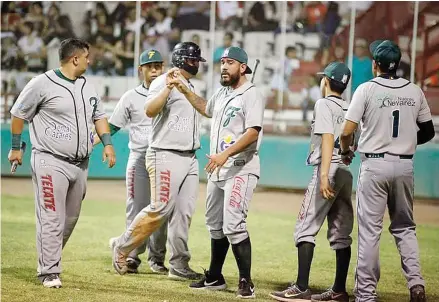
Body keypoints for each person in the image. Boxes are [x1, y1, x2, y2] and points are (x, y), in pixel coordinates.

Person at [8, 38, 116, 288]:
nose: (90, 60)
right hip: (49, 160)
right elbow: (17, 113)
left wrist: (108, 144)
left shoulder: (88, 85)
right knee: (51, 217)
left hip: (80, 164)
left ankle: (49, 257)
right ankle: (49, 271)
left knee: (70, 218)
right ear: (75, 58)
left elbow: (99, 116)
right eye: (87, 56)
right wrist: (15, 147)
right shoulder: (42, 83)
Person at [340, 40, 435, 302]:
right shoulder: (414, 90)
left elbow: (347, 131)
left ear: (375, 65)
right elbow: (428, 131)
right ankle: (416, 285)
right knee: (405, 228)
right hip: (404, 165)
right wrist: (405, 141)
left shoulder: (367, 89)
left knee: (370, 231)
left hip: (375, 164)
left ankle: (366, 295)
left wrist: (346, 151)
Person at [168, 46, 265, 299]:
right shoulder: (222, 92)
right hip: (218, 169)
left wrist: (225, 154)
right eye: (222, 62)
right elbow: (205, 108)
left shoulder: (251, 94)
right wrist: (184, 89)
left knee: (234, 224)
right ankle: (215, 276)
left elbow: (253, 131)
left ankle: (246, 281)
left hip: (240, 167)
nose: (223, 67)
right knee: (215, 225)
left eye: (230, 62)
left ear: (242, 67)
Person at [110, 42, 206, 281]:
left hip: (190, 156)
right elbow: (150, 110)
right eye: (192, 60)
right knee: (160, 207)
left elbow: (205, 109)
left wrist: (184, 89)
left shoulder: (190, 84)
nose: (196, 64)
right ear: (181, 59)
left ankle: (179, 265)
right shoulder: (162, 81)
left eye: (197, 61)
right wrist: (168, 88)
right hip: (165, 153)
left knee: (183, 213)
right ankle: (123, 247)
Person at [269, 62, 353, 302]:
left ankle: (302, 286)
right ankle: (338, 289)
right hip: (345, 170)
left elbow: (328, 138)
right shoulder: (349, 107)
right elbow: (349, 141)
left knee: (305, 227)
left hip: (328, 168)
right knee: (341, 231)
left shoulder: (323, 103)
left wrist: (324, 175)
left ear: (326, 81)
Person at [96, 50, 168, 274]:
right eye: (149, 66)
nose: (154, 70)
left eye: (158, 65)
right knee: (136, 208)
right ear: (141, 70)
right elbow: (113, 126)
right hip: (139, 158)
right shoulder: (130, 97)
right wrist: (91, 143)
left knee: (162, 212)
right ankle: (131, 256)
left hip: (164, 158)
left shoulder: (171, 93)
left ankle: (157, 259)